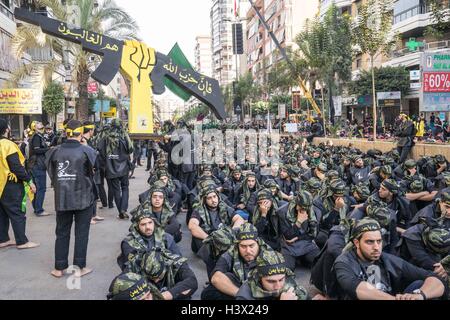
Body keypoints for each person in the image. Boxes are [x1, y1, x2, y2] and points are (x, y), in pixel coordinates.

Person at [333, 218, 447, 300]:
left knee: (421, 284)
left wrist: (420, 295)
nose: (376, 247)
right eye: (369, 242)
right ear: (357, 243)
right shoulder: (344, 261)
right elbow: (357, 288)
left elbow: (434, 277)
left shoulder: (387, 259)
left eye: (379, 241)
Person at [46, 120, 97, 278]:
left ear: (66, 132)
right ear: (81, 133)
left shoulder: (54, 151)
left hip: (62, 198)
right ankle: (79, 268)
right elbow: (94, 171)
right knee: (81, 233)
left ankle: (58, 268)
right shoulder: (87, 150)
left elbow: (52, 174)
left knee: (62, 232)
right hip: (83, 197)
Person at [201, 223, 271, 300]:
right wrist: (242, 295)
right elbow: (216, 278)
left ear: (258, 243)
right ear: (237, 245)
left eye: (251, 246)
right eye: (243, 246)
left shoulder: (269, 255)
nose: (248, 251)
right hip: (239, 288)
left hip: (260, 289)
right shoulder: (232, 252)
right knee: (209, 292)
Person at [188, 185, 244, 276]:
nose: (213, 200)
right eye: (209, 198)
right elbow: (192, 226)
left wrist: (233, 232)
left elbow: (239, 219)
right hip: (206, 237)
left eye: (215, 197)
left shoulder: (224, 207)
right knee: (209, 252)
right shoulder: (199, 210)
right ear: (205, 200)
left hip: (222, 235)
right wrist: (210, 238)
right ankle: (213, 277)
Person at [0, 119, 39, 250]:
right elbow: (16, 167)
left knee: (2, 213)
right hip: (10, 184)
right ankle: (22, 242)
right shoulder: (7, 144)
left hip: (1, 185)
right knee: (17, 212)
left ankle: (3, 239)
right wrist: (29, 181)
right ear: (6, 129)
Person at [98, 118, 134, 220]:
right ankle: (123, 209)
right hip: (124, 167)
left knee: (116, 190)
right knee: (125, 187)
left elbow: (100, 150)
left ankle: (121, 211)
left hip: (110, 167)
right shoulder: (124, 135)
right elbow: (131, 149)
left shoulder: (105, 137)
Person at [235, 250, 308, 300]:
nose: (278, 286)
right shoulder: (244, 296)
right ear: (259, 278)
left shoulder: (286, 278)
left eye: (281, 280)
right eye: (271, 281)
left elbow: (301, 293)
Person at [134, 248, 198, 300]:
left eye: (159, 276)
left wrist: (162, 296)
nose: (156, 280)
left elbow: (192, 281)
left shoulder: (176, 263)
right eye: (152, 278)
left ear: (166, 267)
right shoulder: (134, 266)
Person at [278, 190, 320, 270]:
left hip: (306, 244)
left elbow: (313, 235)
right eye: (301, 207)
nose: (303, 210)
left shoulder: (314, 212)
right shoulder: (283, 212)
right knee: (288, 268)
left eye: (306, 208)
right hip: (289, 247)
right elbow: (288, 236)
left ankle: (303, 260)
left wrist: (299, 238)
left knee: (317, 262)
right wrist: (298, 222)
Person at [82, 121, 104, 225]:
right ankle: (89, 216)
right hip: (89, 172)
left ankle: (94, 214)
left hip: (95, 170)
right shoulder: (83, 141)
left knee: (95, 193)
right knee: (90, 194)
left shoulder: (88, 141)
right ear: (90, 130)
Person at [29, 122, 50, 217]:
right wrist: (48, 149)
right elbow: (36, 150)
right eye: (40, 127)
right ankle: (39, 210)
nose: (42, 128)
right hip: (38, 166)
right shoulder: (36, 137)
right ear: (35, 128)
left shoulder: (36, 136)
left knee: (36, 189)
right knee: (41, 188)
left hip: (35, 166)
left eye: (42, 127)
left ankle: (37, 208)